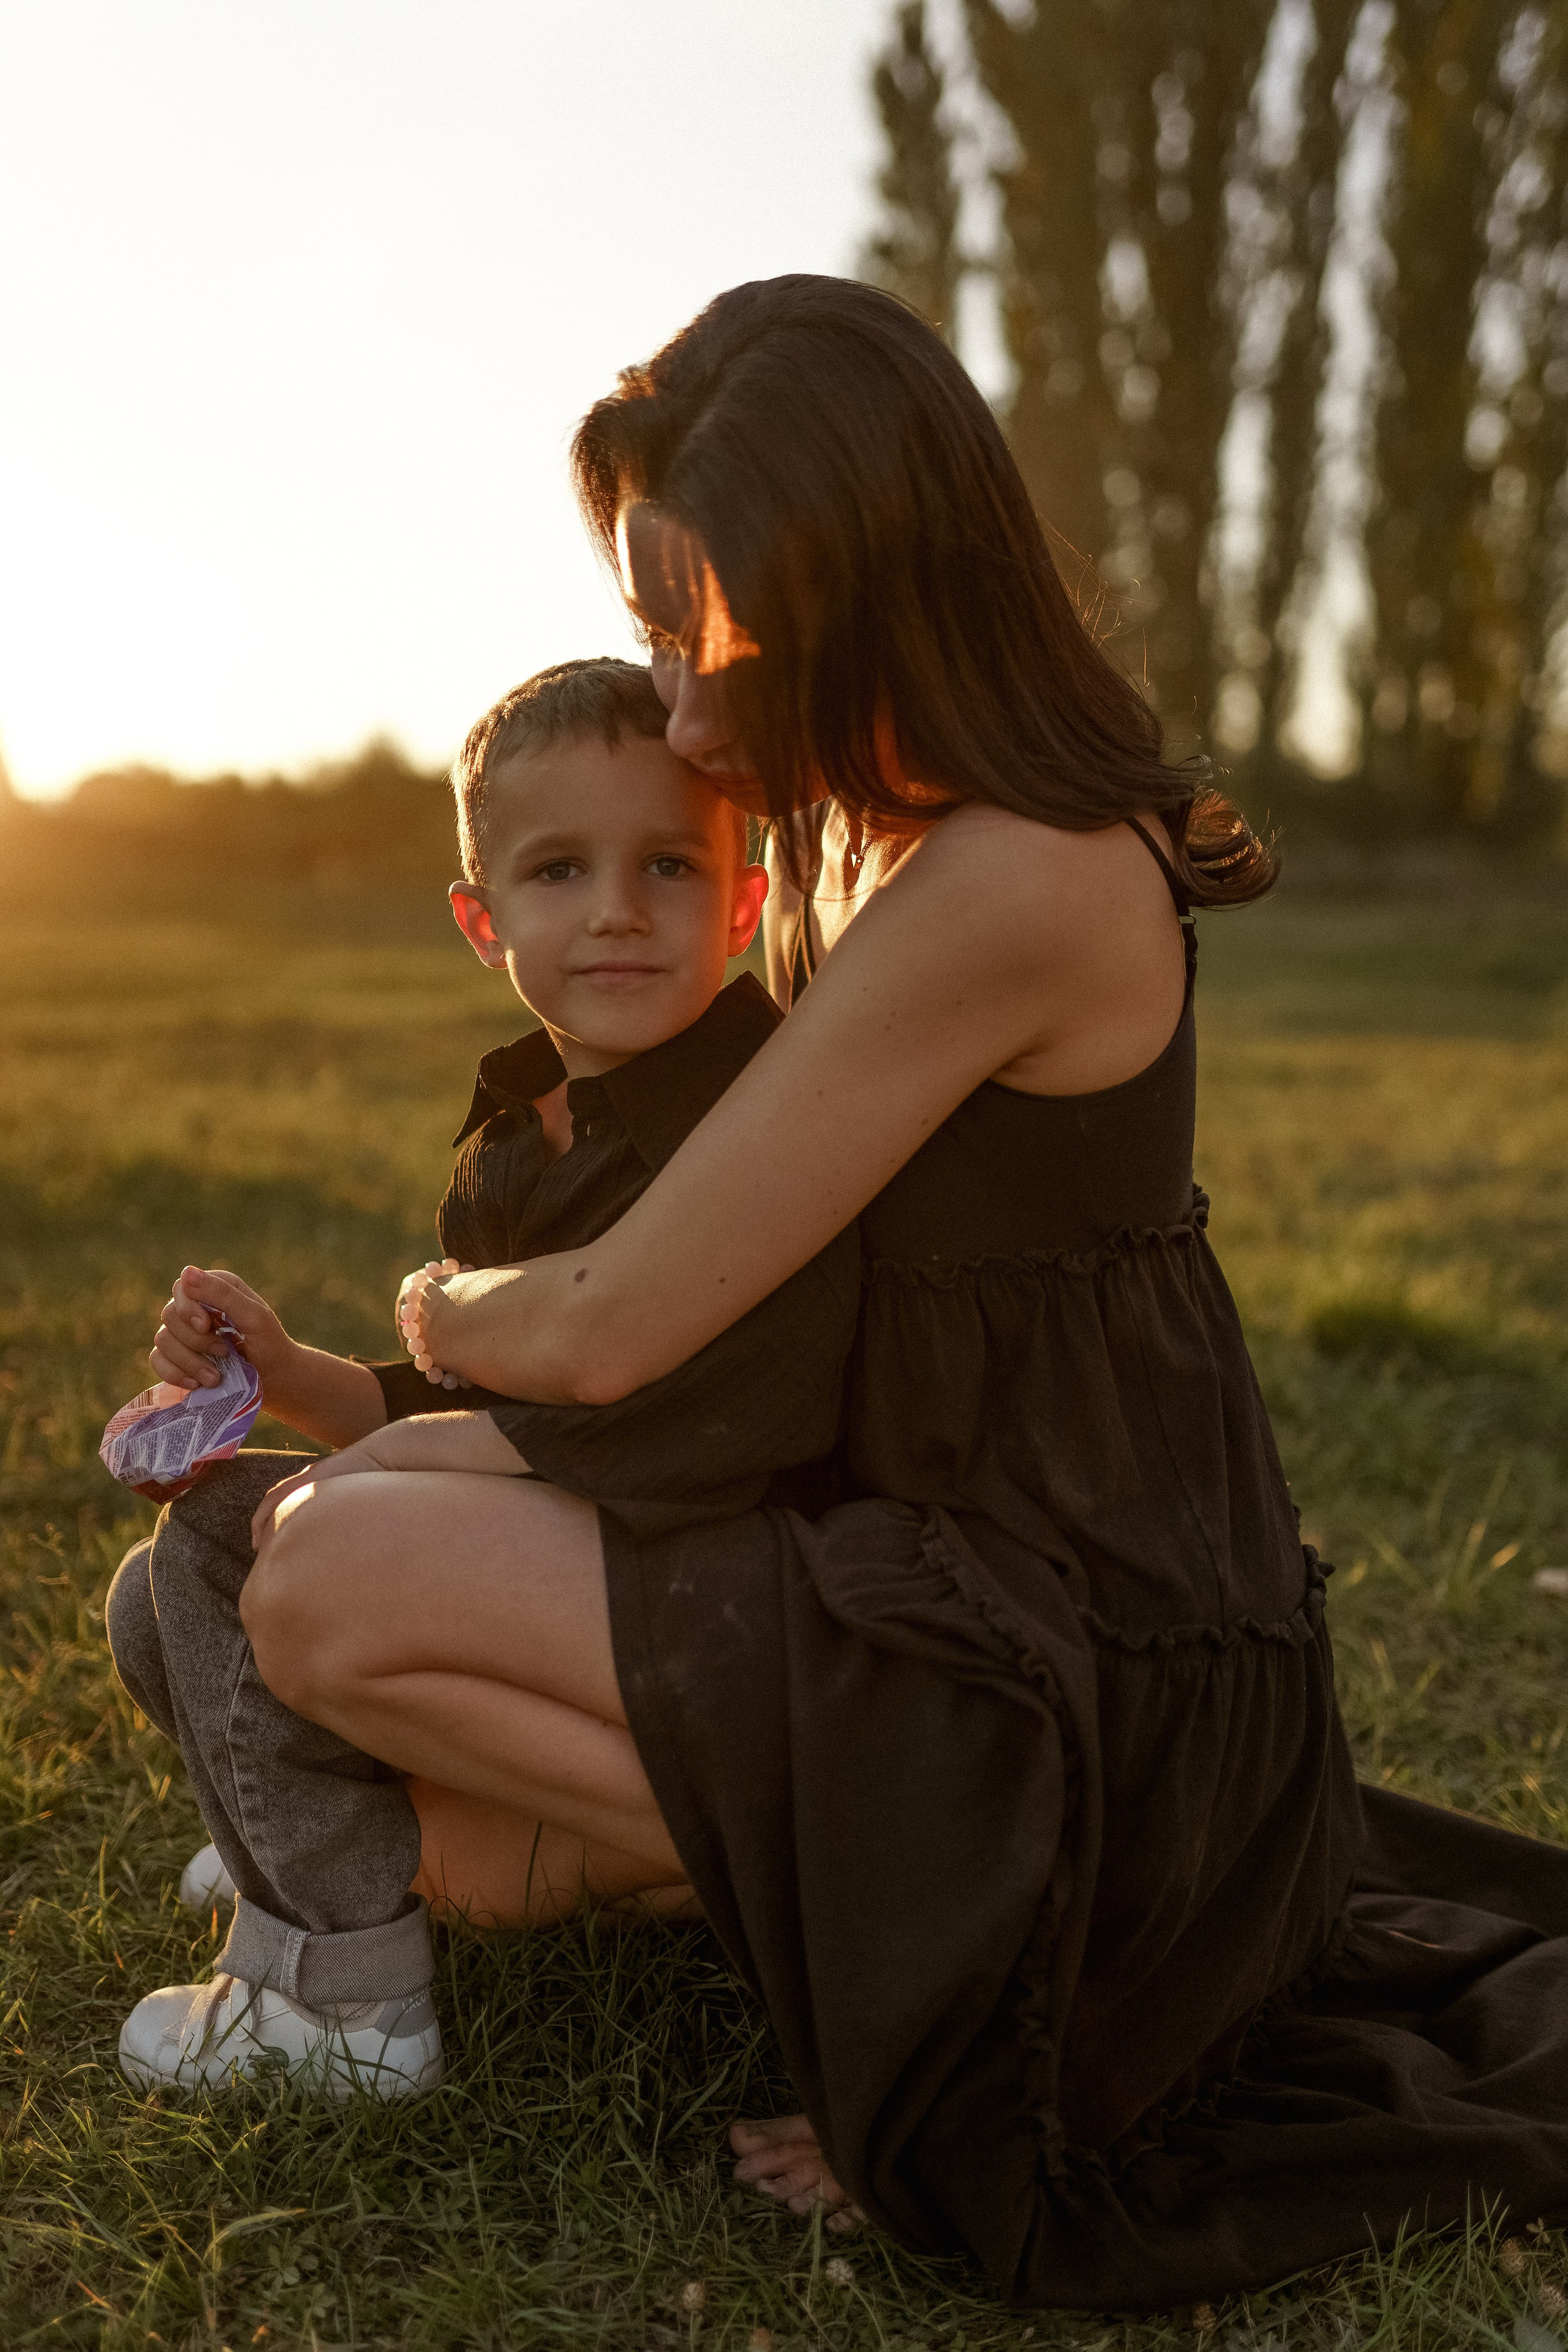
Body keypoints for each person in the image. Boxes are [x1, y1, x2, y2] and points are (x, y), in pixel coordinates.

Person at [140, 276, 1568, 2306]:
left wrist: (439, 1305)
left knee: (321, 1582)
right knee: (427, 1827)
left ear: (884, 596)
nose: (689, 718)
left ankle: (1011, 1961)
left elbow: (609, 1327)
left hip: (1061, 1632)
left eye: (722, 650)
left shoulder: (1023, 870)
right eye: (657, 640)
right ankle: (862, 1917)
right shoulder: (838, 834)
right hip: (894, 1545)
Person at [105, 653, 859, 2095]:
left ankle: (343, 2001)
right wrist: (290, 1375)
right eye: (559, 870)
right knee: (155, 1598)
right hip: (554, 1557)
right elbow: (476, 1405)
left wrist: (398, 1470)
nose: (617, 909)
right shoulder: (521, 1125)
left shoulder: (755, 1114)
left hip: (718, 1582)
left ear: (743, 901)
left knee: (215, 1541)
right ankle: (300, 1838)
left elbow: (740, 1417)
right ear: (481, 918)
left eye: (667, 866)